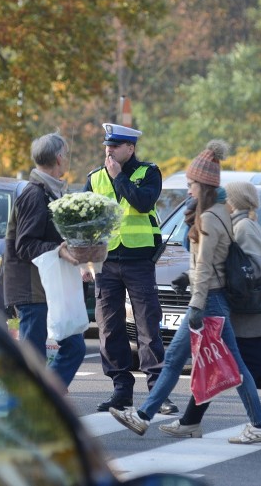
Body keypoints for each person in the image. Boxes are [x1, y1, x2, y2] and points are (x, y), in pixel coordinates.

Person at [109, 141, 261, 444]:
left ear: (204, 185)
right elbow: (209, 260)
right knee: (189, 362)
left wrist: (195, 304)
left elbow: (208, 265)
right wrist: (187, 274)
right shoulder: (218, 210)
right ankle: (144, 416)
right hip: (212, 297)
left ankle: (259, 425)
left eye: (191, 184)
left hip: (208, 300)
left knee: (224, 367)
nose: (187, 190)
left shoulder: (209, 217)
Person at [159, 181, 261, 443]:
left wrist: (217, 282)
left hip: (254, 318)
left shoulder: (243, 227)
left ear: (233, 201)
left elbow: (252, 269)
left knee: (230, 366)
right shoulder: (240, 224)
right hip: (253, 318)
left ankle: (197, 421)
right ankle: (191, 420)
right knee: (230, 365)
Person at [85, 123, 177, 415]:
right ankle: (121, 391)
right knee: (110, 328)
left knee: (148, 326)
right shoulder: (95, 178)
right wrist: (85, 262)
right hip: (106, 262)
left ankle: (158, 394)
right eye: (107, 146)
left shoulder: (148, 172)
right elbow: (84, 222)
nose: (109, 151)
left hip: (138, 261)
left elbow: (142, 202)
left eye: (115, 146)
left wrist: (119, 177)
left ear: (130, 148)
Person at [3, 132, 86, 388]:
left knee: (74, 347)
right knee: (34, 361)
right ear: (59, 158)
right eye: (67, 154)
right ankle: (28, 414)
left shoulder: (51, 192)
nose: (68, 159)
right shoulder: (34, 194)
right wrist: (59, 250)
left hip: (49, 287)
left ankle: (47, 404)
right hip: (32, 290)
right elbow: (25, 244)